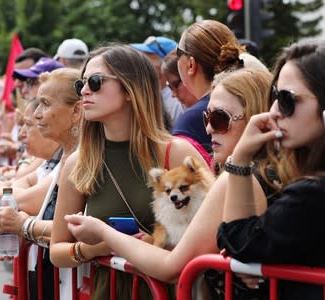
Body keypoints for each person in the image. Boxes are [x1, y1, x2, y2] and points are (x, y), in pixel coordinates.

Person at [62, 57, 273, 290]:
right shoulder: (79, 162)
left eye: (219, 119)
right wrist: (89, 249)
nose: (209, 128)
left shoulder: (224, 172)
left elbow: (173, 266)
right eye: (207, 117)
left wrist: (104, 233)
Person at [49, 44, 209, 299]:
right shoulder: (79, 162)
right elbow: (57, 250)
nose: (85, 91)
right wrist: (94, 248)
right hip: (108, 291)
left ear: (130, 90)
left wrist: (123, 241)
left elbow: (207, 237)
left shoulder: (175, 153)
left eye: (96, 81)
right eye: (81, 85)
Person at [217, 41, 325, 299]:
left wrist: (241, 158)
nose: (274, 111)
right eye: (275, 96)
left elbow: (237, 240)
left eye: (287, 99)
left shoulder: (310, 195)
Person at [0, 67, 82, 300]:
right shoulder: (68, 158)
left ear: (76, 111)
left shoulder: (83, 159)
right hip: (54, 278)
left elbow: (78, 230)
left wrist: (22, 225)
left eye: (45, 104)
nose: (38, 114)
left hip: (72, 284)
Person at [172, 20, 245, 155]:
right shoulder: (252, 100)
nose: (209, 128)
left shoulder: (189, 123)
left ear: (191, 65)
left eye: (178, 53)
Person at [131, 36, 185, 131]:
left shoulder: (177, 100)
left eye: (147, 55)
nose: (141, 61)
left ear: (165, 61)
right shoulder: (146, 95)